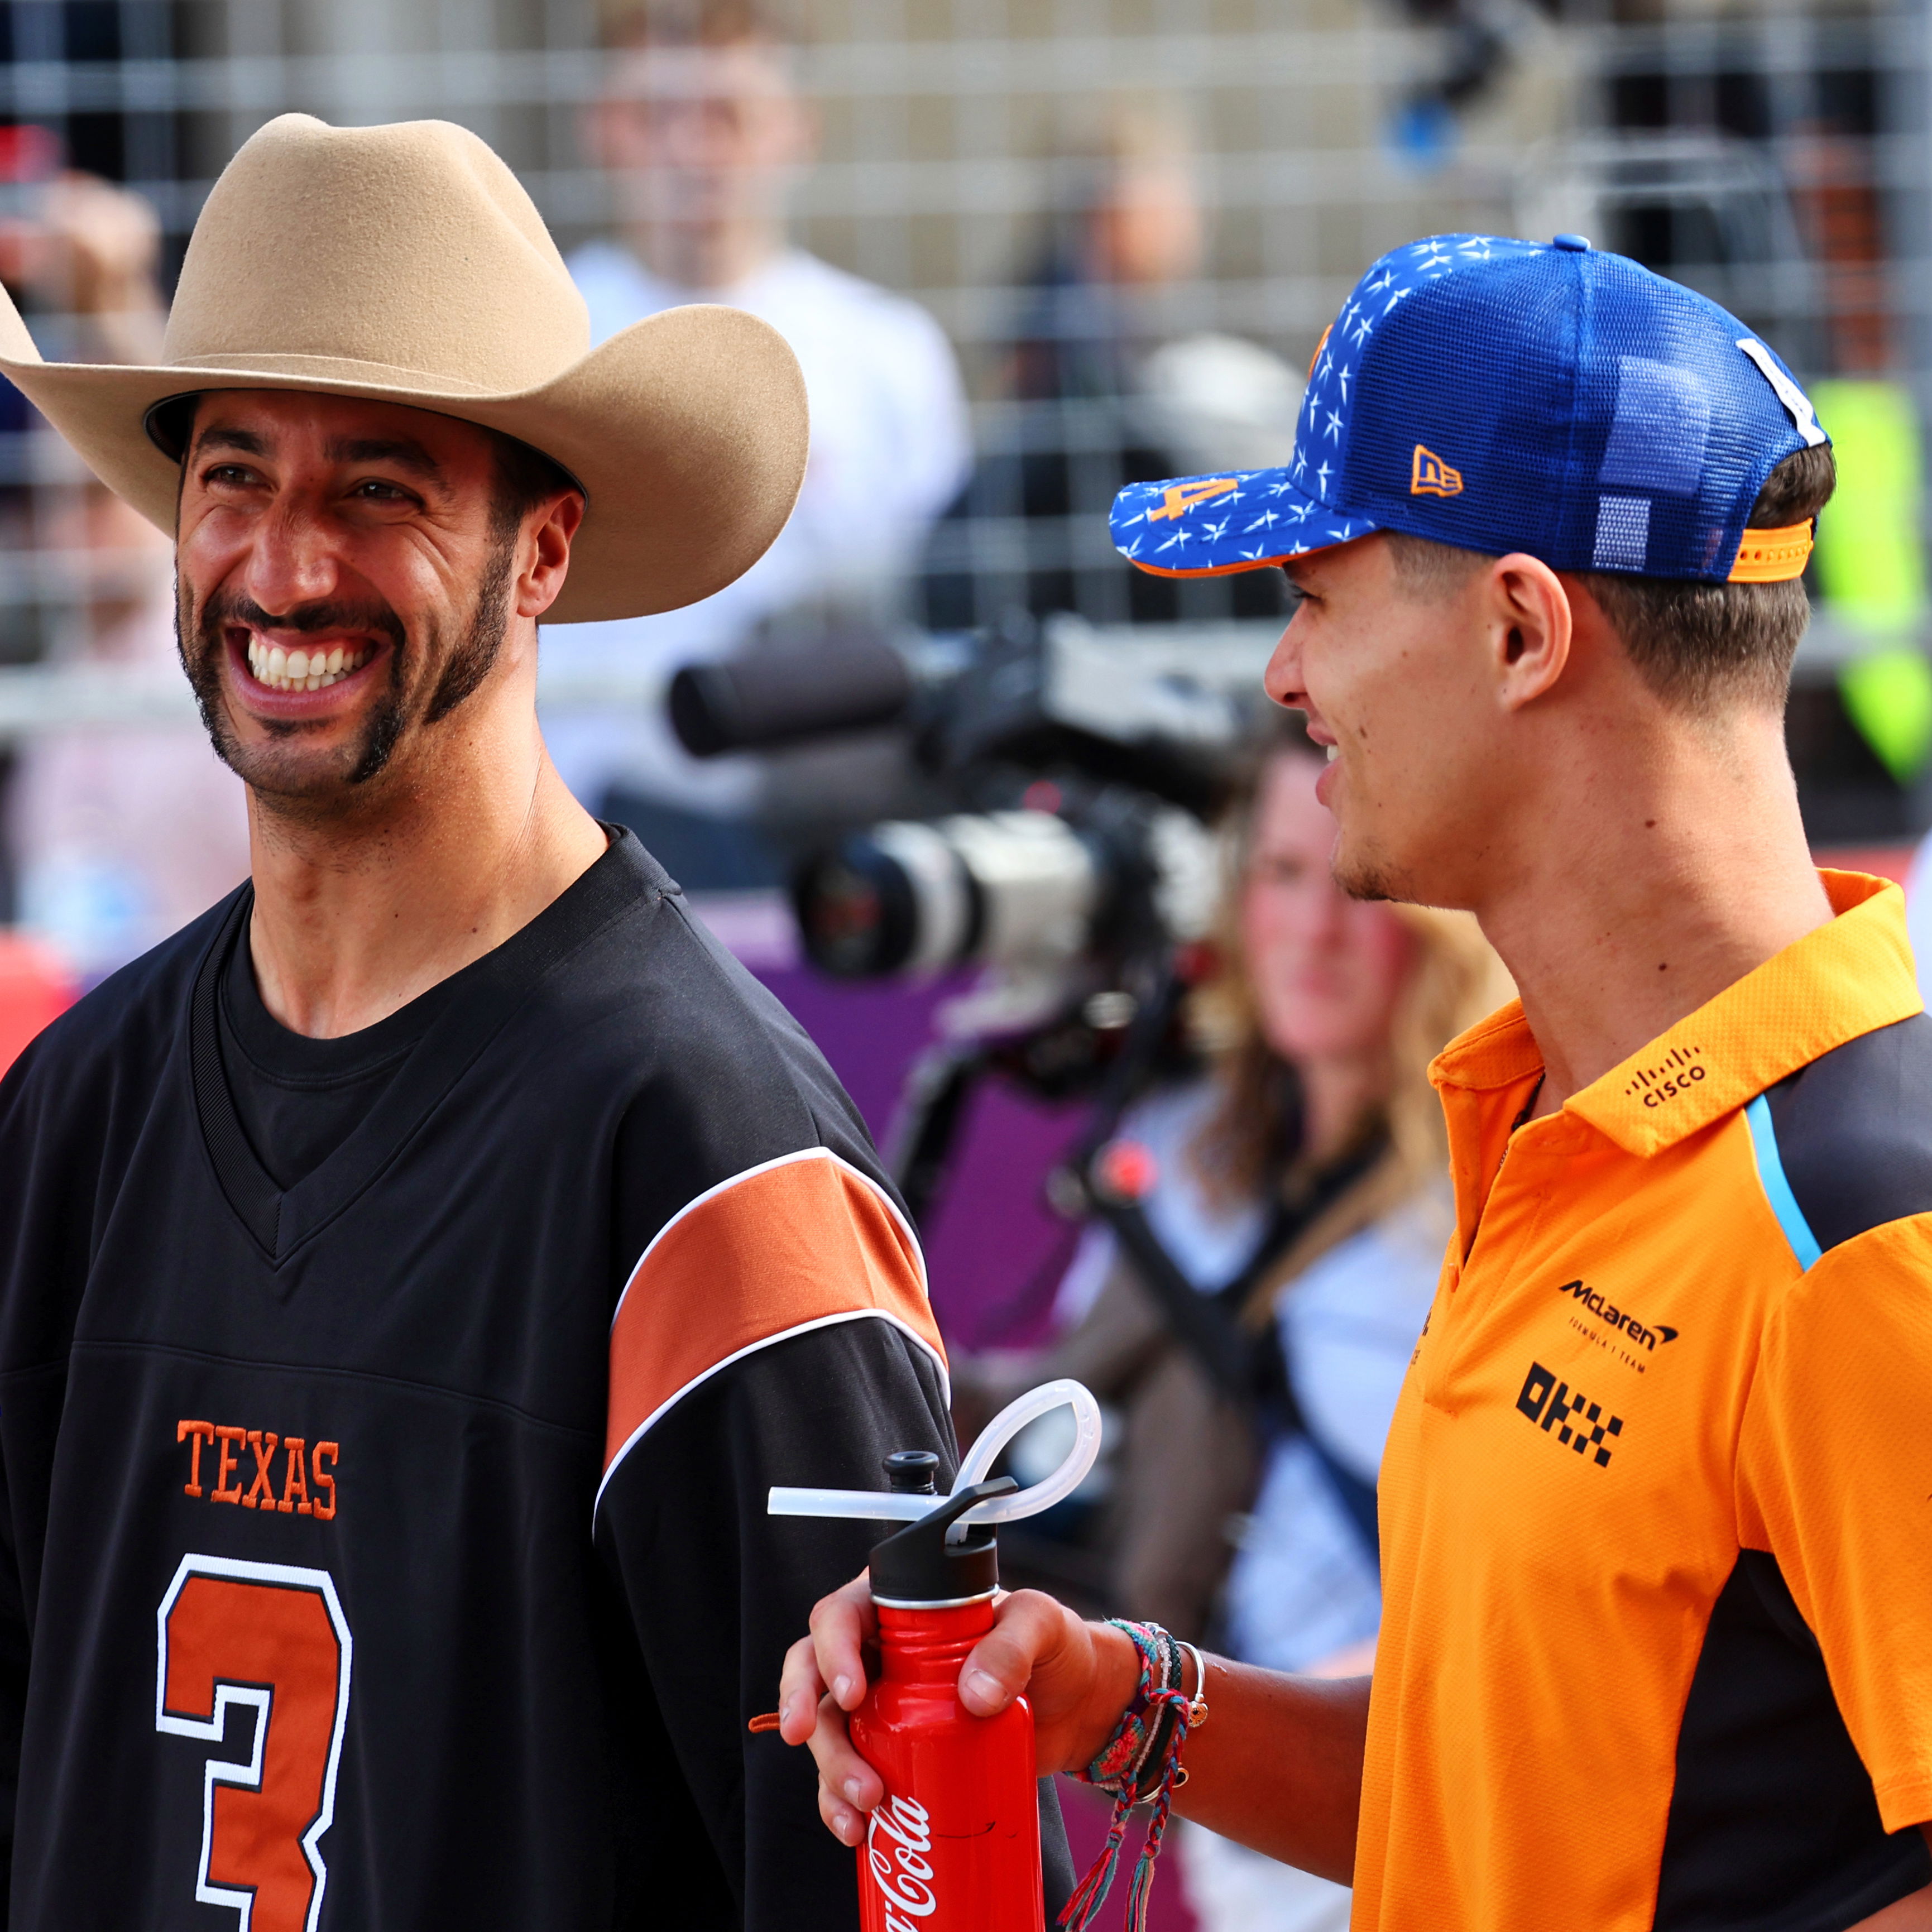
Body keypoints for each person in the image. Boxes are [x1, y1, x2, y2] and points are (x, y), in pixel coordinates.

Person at [0, 112, 1077, 1929]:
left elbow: (913, 1887)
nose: (282, 566)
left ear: (546, 549)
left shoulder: (709, 1164)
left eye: (381, 490)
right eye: (234, 476)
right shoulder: (78, 1114)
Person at [786, 233, 1932, 1932]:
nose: (1281, 675)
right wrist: (1109, 1696)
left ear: (1520, 629)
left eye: (1314, 594)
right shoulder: (1559, 1122)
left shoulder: (1858, 1229)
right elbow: (1510, 1786)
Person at [544, 0, 971, 885]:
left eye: (728, 117)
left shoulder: (888, 353)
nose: (695, 153)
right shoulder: (539, 344)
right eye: (660, 117)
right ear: (606, 129)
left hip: (829, 829)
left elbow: (942, 595)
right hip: (583, 836)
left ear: (795, 131)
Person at [919, 95, 1295, 634]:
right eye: (1177, 187)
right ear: (1114, 204)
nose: (1196, 216)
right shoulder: (1066, 352)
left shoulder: (1096, 331)